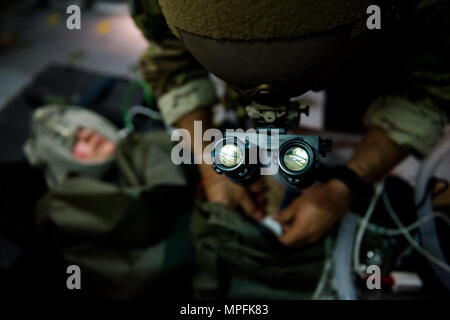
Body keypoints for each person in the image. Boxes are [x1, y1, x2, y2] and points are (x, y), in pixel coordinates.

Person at [131, 0, 449, 248]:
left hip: (371, 64)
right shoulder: (167, 12)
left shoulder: (424, 10)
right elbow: (169, 57)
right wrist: (209, 164)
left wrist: (345, 187)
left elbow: (429, 88)